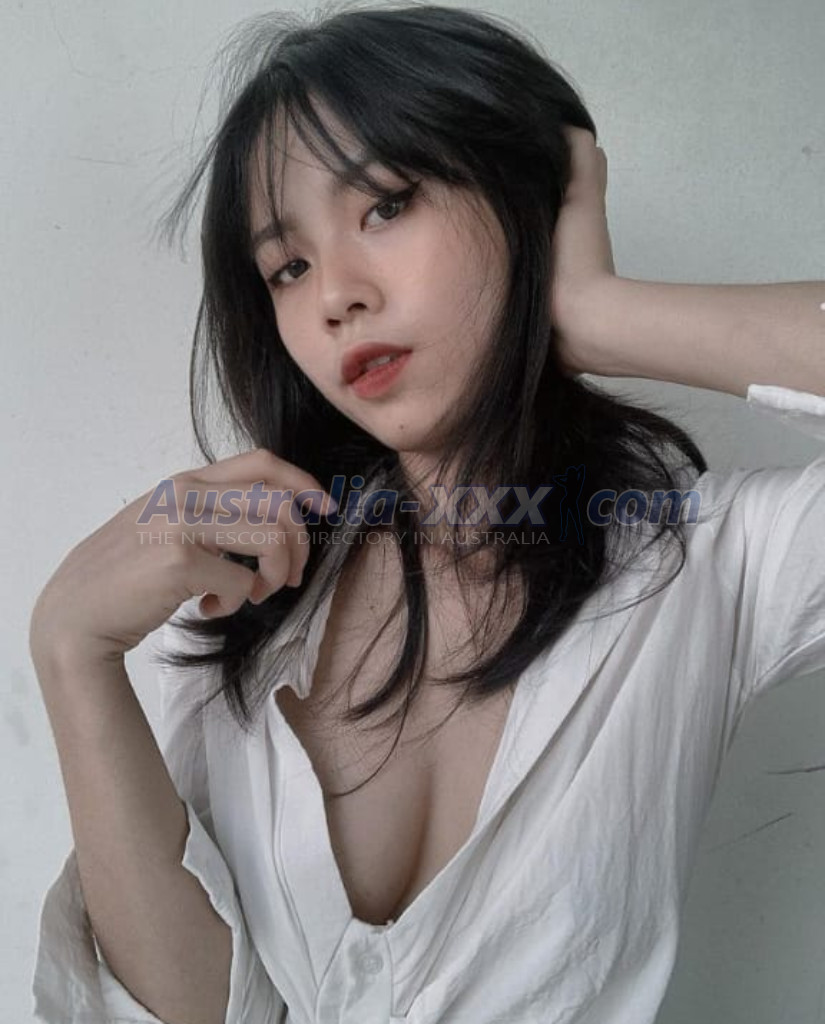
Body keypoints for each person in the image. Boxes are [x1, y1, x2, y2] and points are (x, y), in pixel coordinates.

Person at [29, 3, 825, 1023]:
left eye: (387, 205)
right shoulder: (257, 585)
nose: (335, 296)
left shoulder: (714, 562)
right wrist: (71, 651)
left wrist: (595, 310)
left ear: (524, 198)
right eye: (287, 266)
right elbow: (204, 1009)